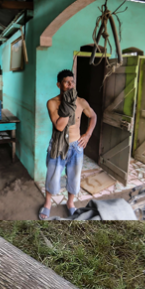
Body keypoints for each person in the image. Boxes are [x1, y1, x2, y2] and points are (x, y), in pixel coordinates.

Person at [41, 70, 97, 219]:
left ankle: (70, 203)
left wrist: (87, 135)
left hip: (76, 146)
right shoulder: (52, 103)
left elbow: (93, 116)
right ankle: (48, 203)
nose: (70, 85)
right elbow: (59, 126)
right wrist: (68, 105)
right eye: (66, 82)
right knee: (52, 176)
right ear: (59, 84)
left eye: (72, 82)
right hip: (58, 145)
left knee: (74, 177)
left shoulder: (81, 102)